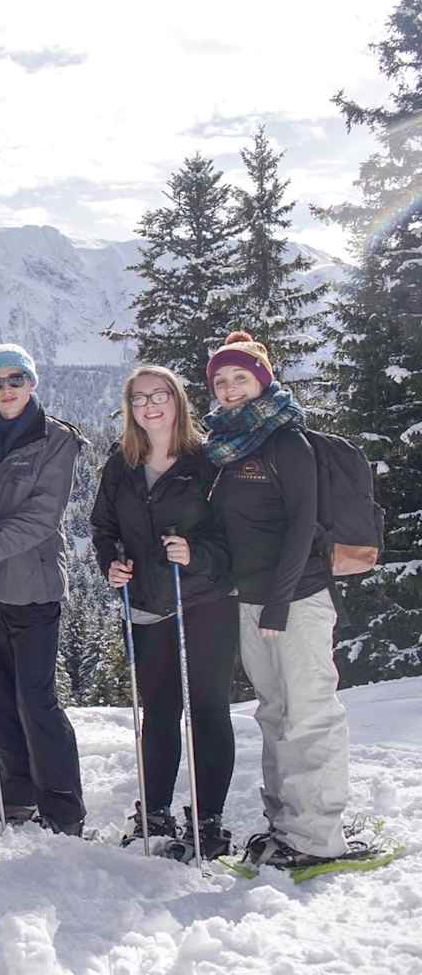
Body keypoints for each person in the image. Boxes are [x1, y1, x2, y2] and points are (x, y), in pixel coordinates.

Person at [203, 331, 349, 867]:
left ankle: (318, 841)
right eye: (221, 381)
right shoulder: (226, 445)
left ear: (262, 379)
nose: (231, 388)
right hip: (251, 601)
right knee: (274, 713)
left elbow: (302, 525)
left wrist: (280, 602)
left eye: (240, 377)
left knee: (309, 714)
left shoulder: (287, 440)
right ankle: (285, 825)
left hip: (296, 600)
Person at [90, 365, 237, 859]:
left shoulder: (206, 461)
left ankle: (209, 819)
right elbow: (103, 526)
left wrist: (196, 554)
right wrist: (111, 564)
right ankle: (154, 813)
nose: (150, 406)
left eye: (160, 396)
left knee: (210, 709)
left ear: (178, 401)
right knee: (159, 713)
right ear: (130, 409)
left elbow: (231, 535)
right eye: (139, 399)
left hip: (204, 601)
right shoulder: (122, 463)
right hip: (149, 605)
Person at [0, 343, 87, 835]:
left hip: (34, 585)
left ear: (32, 383)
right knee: (1, 696)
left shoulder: (56, 440)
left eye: (14, 380)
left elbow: (45, 514)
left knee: (36, 697)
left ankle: (63, 807)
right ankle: (16, 795)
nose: (5, 390)